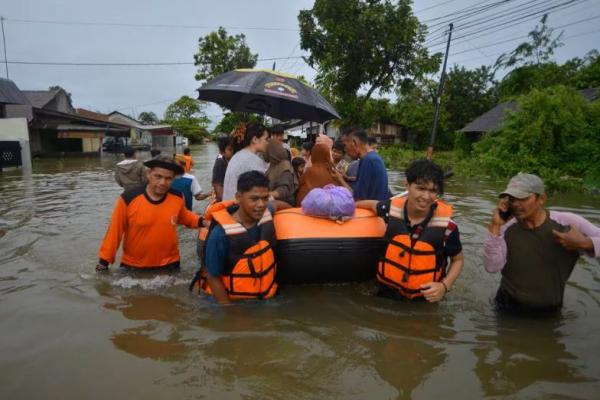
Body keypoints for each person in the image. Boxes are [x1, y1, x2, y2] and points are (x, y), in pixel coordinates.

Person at [483, 173, 600, 313]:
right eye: (512, 199)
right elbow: (492, 266)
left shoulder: (568, 223)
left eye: (523, 198)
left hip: (549, 311)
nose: (515, 204)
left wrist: (584, 243)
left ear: (542, 198)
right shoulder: (505, 227)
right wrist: (495, 226)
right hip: (506, 307)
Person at [356, 159, 464, 302]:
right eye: (420, 188)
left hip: (424, 299)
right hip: (386, 293)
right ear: (407, 185)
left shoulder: (448, 227)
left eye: (432, 191)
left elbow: (458, 260)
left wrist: (444, 286)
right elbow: (371, 205)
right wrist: (348, 209)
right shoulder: (389, 210)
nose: (426, 197)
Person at [96, 155, 202, 271]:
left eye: (168, 178)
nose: (162, 182)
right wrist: (104, 261)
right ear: (148, 174)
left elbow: (184, 216)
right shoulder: (128, 198)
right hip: (134, 266)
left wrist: (204, 222)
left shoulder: (177, 197)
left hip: (170, 263)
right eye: (158, 176)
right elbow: (115, 231)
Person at [202, 171, 290, 304]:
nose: (261, 204)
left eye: (265, 198)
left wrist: (294, 209)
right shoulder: (220, 234)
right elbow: (212, 276)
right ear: (238, 197)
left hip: (265, 294)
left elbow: (277, 204)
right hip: (233, 300)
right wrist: (229, 310)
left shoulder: (265, 213)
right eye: (254, 199)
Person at [222, 123, 269, 201]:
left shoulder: (238, 155)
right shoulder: (254, 160)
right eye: (266, 139)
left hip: (228, 205)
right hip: (237, 207)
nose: (267, 143)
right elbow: (260, 191)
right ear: (255, 139)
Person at [342, 129, 389, 201]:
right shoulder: (372, 157)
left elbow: (357, 197)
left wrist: (339, 179)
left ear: (354, 143)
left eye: (345, 146)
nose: (345, 150)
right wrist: (347, 178)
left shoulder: (368, 160)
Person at [266, 140, 298, 206]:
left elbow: (283, 190)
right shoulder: (274, 165)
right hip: (275, 201)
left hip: (285, 205)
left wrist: (267, 195)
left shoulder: (285, 167)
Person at [212, 134, 234, 202]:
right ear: (222, 152)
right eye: (230, 150)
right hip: (226, 199)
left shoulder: (239, 161)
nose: (233, 152)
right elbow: (217, 185)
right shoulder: (220, 163)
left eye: (235, 149)